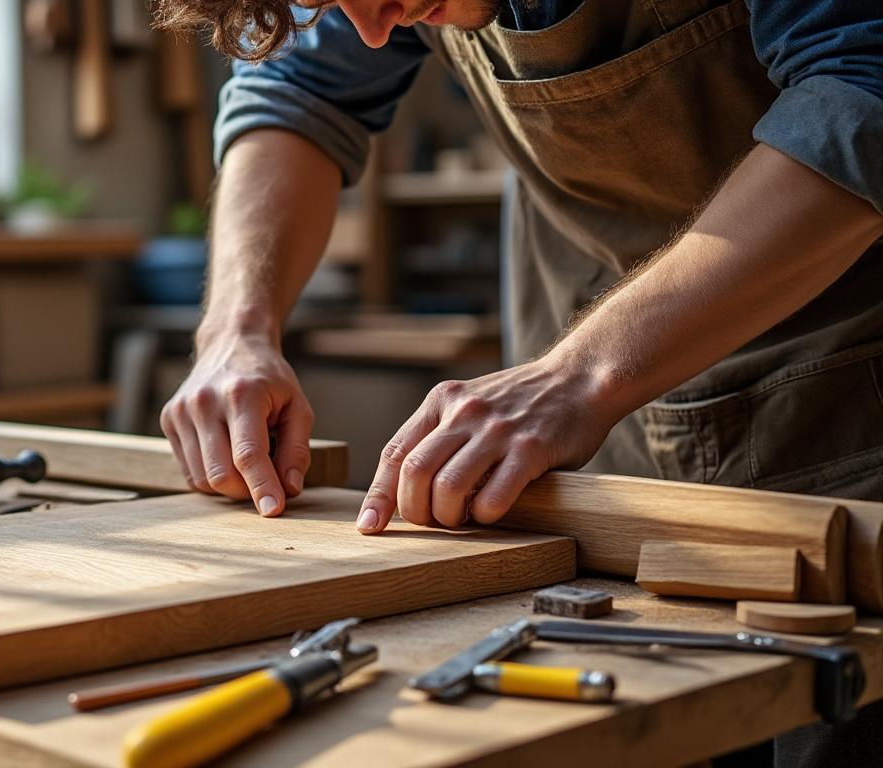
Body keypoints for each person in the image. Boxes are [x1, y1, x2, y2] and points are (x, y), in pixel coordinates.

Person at [154, 1, 883, 764]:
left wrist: (581, 375)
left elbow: (863, 88)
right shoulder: (373, 8)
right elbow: (298, 90)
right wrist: (234, 331)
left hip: (852, 426)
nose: (374, 30)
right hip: (598, 468)